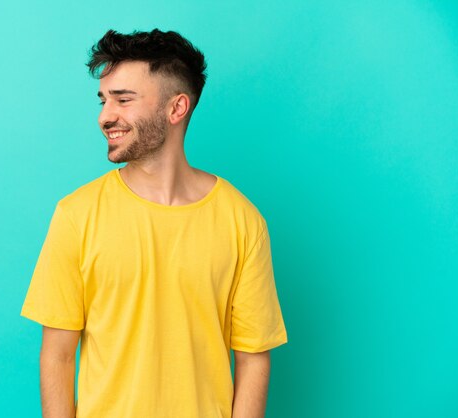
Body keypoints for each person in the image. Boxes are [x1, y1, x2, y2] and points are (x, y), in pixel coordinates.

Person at [21, 28, 288, 418]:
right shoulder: (76, 214)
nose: (104, 116)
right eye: (103, 100)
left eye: (123, 100)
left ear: (176, 108)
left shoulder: (242, 220)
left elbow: (253, 359)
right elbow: (58, 355)